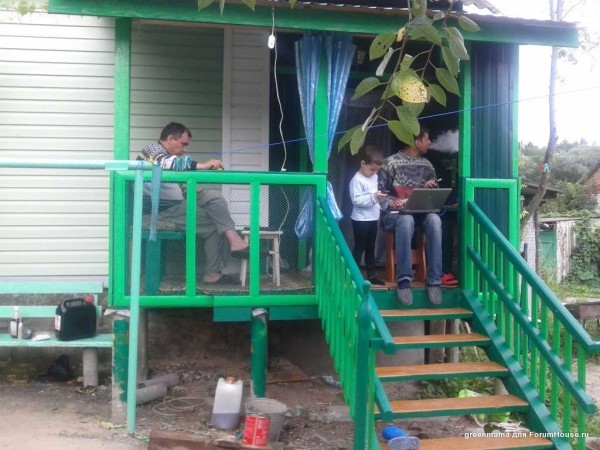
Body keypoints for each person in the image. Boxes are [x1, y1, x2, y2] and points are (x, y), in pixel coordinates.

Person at [137, 122, 249, 285]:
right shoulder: (152, 150)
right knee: (213, 225)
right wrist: (204, 165)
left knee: (214, 197)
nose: (185, 150)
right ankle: (212, 274)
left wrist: (191, 191)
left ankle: (234, 240)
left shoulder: (169, 157)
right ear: (169, 138)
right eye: (183, 144)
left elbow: (171, 182)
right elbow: (169, 163)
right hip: (158, 212)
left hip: (177, 203)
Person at [378, 128, 443, 305]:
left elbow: (431, 197)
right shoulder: (389, 163)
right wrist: (390, 202)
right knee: (406, 220)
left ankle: (434, 280)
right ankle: (404, 280)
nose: (429, 143)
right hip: (394, 215)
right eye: (427, 139)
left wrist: (430, 188)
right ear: (417, 142)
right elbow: (378, 194)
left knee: (435, 220)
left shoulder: (427, 166)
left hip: (420, 213)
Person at [349, 145, 387, 286]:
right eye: (372, 169)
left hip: (373, 218)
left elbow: (374, 196)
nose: (374, 173)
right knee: (359, 247)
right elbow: (357, 200)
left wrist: (379, 199)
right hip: (360, 219)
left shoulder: (374, 177)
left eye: (377, 170)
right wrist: (374, 197)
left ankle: (371, 275)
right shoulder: (356, 180)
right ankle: (354, 275)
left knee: (371, 247)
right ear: (363, 163)